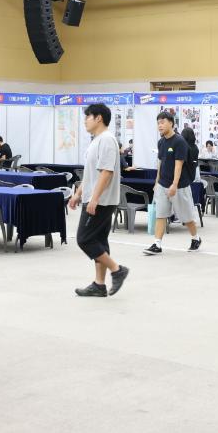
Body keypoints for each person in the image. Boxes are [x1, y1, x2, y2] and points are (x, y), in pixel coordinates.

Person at [69, 104, 128, 297]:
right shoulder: (96, 141)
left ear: (99, 118)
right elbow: (90, 175)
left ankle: (117, 269)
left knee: (84, 239)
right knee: (99, 240)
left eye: (88, 116)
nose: (85, 120)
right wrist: (78, 194)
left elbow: (107, 172)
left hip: (102, 200)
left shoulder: (108, 140)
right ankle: (99, 284)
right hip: (94, 198)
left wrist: (94, 198)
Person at [143, 112, 202, 255]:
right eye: (158, 123)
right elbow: (161, 163)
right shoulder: (161, 142)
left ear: (171, 123)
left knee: (186, 217)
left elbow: (178, 165)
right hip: (163, 184)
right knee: (161, 214)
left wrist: (174, 185)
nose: (160, 125)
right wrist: (157, 182)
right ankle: (157, 244)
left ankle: (195, 238)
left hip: (179, 186)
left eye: (163, 122)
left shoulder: (179, 141)